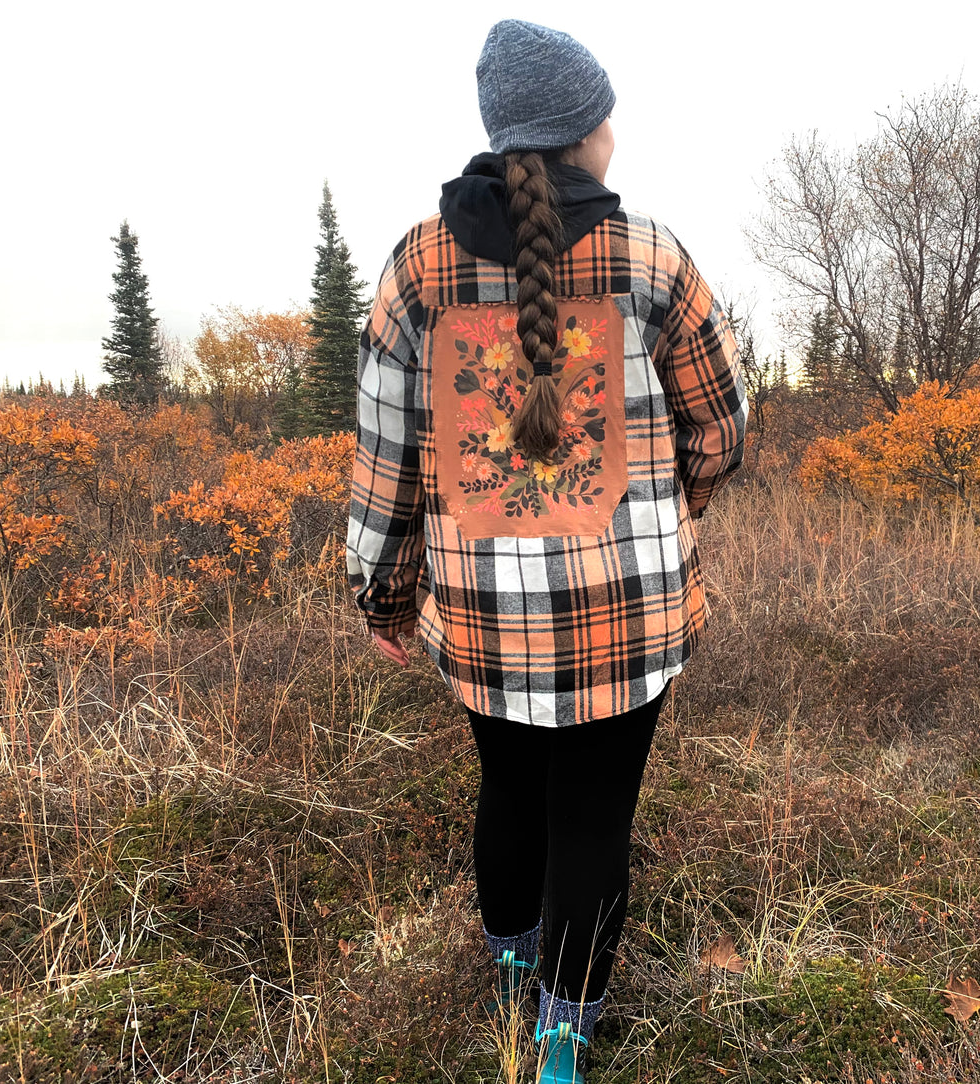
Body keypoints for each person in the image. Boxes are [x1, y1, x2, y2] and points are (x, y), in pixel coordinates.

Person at [345, 18, 747, 1082]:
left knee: (510, 793)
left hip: (482, 620)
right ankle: (563, 1035)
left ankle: (512, 976)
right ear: (585, 131)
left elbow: (384, 453)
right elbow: (722, 427)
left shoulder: (417, 266)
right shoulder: (650, 257)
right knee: (592, 813)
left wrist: (384, 595)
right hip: (629, 610)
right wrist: (680, 504)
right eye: (604, 110)